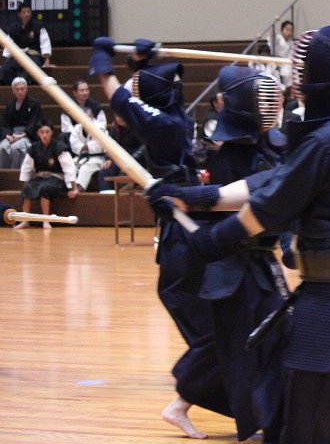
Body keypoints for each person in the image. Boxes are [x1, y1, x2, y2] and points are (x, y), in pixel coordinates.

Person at [147, 25, 330, 444]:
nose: (296, 86)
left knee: (314, 421)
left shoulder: (329, 141)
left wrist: (208, 242)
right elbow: (273, 182)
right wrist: (192, 197)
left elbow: (268, 206)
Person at [88, 38, 228, 440]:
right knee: (215, 336)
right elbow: (122, 94)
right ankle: (185, 402)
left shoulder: (166, 122)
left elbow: (121, 93)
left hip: (185, 237)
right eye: (174, 86)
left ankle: (193, 401)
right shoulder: (171, 122)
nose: (179, 89)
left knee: (220, 333)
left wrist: (107, 55)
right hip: (180, 248)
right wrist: (124, 60)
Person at [194, 66, 288, 444]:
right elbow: (229, 206)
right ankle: (254, 426)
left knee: (276, 337)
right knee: (241, 351)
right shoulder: (227, 154)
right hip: (234, 264)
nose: (271, 106)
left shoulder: (272, 146)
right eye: (262, 100)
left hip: (261, 262)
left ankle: (270, 419)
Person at [17, 119, 77, 229]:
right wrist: (25, 184)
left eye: (47, 132)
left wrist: (73, 188)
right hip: (40, 177)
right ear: (38, 133)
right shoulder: (34, 148)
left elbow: (69, 167)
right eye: (42, 132)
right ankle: (25, 220)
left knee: (44, 188)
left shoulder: (59, 147)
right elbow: (26, 168)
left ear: (52, 132)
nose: (45, 135)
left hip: (57, 179)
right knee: (27, 188)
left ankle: (46, 220)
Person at [61, 80, 107, 193]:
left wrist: (87, 147)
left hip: (97, 158)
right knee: (71, 165)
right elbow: (73, 141)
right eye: (82, 90)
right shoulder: (77, 127)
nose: (85, 92)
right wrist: (83, 147)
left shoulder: (99, 128)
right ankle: (68, 188)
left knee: (86, 168)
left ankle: (79, 189)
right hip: (81, 156)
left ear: (92, 116)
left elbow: (101, 144)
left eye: (87, 89)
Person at [2, 4, 52, 84]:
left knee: (32, 68)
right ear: (19, 14)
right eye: (24, 12)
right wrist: (7, 59)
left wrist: (47, 60)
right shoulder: (13, 28)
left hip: (33, 56)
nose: (26, 14)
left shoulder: (38, 26)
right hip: (18, 56)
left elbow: (45, 43)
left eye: (28, 12)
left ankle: (23, 85)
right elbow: (8, 44)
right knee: (6, 69)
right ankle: (14, 86)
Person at [0, 78, 43, 169]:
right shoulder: (10, 105)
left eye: (22, 89)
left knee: (16, 147)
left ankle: (15, 173)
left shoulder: (34, 104)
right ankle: (4, 171)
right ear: (13, 91)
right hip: (12, 134)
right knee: (3, 146)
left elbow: (34, 122)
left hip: (27, 135)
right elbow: (5, 124)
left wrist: (24, 134)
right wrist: (8, 135)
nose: (20, 92)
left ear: (26, 90)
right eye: (17, 89)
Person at [98, 113, 145, 192]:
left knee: (127, 173)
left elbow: (143, 147)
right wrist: (109, 158)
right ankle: (107, 195)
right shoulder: (115, 128)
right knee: (105, 170)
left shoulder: (136, 126)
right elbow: (110, 145)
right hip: (119, 159)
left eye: (121, 116)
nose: (120, 119)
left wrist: (132, 159)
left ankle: (126, 196)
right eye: (117, 116)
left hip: (136, 159)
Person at [274, 20, 295, 87]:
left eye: (291, 31)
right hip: (276, 63)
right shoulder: (277, 39)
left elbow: (292, 55)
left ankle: (291, 90)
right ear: (281, 30)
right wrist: (275, 21)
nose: (289, 32)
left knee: (293, 73)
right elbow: (271, 35)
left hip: (287, 63)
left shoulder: (291, 43)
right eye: (287, 30)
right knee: (286, 73)